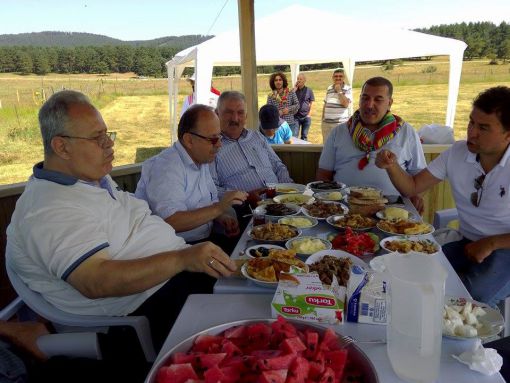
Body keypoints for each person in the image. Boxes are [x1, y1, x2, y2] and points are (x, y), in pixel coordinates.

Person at [6, 90, 236, 351]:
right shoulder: (47, 208)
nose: (109, 144)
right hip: (145, 308)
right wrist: (183, 258)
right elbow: (95, 281)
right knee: (246, 329)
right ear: (62, 147)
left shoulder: (92, 180)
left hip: (177, 276)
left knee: (264, 285)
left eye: (107, 134)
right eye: (97, 138)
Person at [376, 86, 510, 307]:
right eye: (471, 122)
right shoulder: (457, 153)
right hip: (467, 242)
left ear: (507, 134)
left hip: (505, 249)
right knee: (416, 270)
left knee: (469, 297)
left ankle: (477, 341)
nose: (472, 132)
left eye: (483, 128)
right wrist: (391, 165)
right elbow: (412, 187)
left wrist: (492, 243)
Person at [135, 104, 247, 250]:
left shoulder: (201, 158)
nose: (219, 144)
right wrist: (219, 209)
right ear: (189, 140)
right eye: (213, 139)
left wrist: (222, 218)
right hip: (174, 252)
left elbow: (208, 204)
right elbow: (171, 221)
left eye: (219, 137)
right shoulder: (167, 167)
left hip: (204, 241)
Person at [316, 76, 426, 211]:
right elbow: (323, 174)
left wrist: (416, 195)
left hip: (392, 209)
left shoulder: (406, 132)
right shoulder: (339, 132)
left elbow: (418, 176)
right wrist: (328, 203)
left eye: (378, 99)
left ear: (390, 103)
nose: (369, 105)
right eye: (365, 98)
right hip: (344, 207)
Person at [211, 91, 293, 203]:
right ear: (217, 114)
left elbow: (278, 165)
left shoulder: (256, 136)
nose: (235, 119)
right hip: (245, 210)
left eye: (240, 113)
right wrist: (244, 197)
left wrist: (287, 191)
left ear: (246, 116)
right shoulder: (211, 147)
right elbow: (212, 189)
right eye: (229, 112)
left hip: (280, 200)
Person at [321, 68, 353, 142]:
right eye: (336, 76)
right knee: (327, 146)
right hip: (327, 124)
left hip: (340, 124)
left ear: (343, 78)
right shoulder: (329, 88)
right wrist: (323, 119)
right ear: (332, 78)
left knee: (340, 146)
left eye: (340, 76)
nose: (338, 78)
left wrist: (339, 91)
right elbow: (325, 104)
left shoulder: (348, 88)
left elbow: (345, 104)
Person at [266, 72, 300, 137]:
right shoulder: (271, 96)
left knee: (290, 145)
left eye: (280, 80)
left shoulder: (290, 92)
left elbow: (297, 105)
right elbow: (268, 111)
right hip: (277, 125)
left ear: (283, 81)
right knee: (280, 146)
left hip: (290, 124)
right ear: (273, 83)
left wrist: (288, 109)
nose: (278, 82)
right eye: (276, 80)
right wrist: (277, 112)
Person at [293, 73, 315, 141]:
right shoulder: (294, 90)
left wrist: (309, 114)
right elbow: (289, 100)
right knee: (294, 136)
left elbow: (312, 102)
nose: (298, 80)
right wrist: (294, 89)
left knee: (304, 136)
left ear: (304, 80)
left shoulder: (309, 90)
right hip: (296, 117)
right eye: (298, 79)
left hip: (306, 117)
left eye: (300, 79)